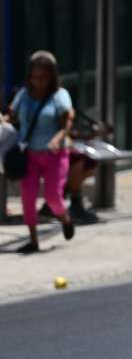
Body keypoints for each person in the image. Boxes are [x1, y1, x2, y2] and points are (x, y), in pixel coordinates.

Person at [3, 51, 75, 253]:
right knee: (28, 197)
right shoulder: (24, 95)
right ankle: (33, 240)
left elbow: (67, 122)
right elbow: (12, 115)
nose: (38, 82)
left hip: (54, 154)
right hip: (30, 154)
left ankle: (64, 218)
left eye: (43, 78)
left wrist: (58, 138)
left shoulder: (59, 96)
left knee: (53, 197)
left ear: (52, 76)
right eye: (35, 77)